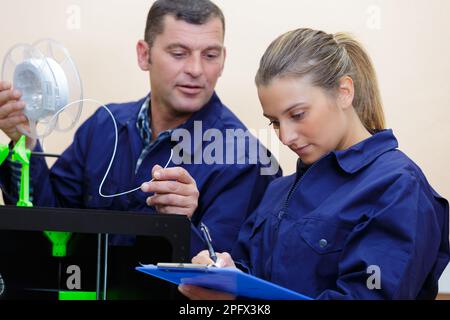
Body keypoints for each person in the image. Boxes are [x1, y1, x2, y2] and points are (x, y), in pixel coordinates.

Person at [178, 28, 450, 300]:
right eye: (274, 121)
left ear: (344, 92)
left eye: (297, 114)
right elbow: (255, 276)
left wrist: (242, 298)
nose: (285, 136)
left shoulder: (398, 188)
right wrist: (227, 275)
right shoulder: (277, 192)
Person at [0, 0, 280, 258]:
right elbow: (52, 226)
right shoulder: (103, 126)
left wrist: (183, 224)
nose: (196, 69)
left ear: (223, 60)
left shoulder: (245, 160)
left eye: (210, 55)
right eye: (179, 53)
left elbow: (227, 281)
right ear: (144, 55)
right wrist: (25, 141)